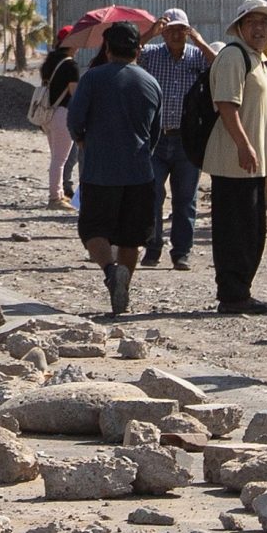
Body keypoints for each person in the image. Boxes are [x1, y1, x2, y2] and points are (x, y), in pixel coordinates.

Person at [65, 19, 161, 315]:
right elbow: (154, 133)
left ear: (107, 48)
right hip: (139, 173)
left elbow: (74, 120)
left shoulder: (92, 78)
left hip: (99, 171)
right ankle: (124, 286)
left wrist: (82, 139)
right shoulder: (150, 82)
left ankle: (110, 271)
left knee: (93, 230)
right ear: (138, 50)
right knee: (132, 237)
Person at [205, 0, 267, 314]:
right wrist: (243, 145)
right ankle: (233, 294)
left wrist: (265, 153)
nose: (259, 28)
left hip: (251, 162)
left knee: (252, 229)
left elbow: (258, 113)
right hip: (232, 162)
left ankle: (240, 291)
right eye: (252, 22)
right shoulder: (233, 56)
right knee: (235, 230)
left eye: (264, 23)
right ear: (239, 27)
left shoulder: (257, 60)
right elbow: (227, 105)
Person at [137, 9, 208, 269]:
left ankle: (181, 252)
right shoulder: (151, 54)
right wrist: (149, 34)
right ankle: (152, 248)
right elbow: (126, 55)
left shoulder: (197, 56)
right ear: (163, 32)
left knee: (185, 199)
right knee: (152, 195)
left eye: (181, 29)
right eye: (171, 29)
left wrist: (200, 41)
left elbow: (220, 67)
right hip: (155, 139)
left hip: (186, 140)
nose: (176, 34)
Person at [36, 27, 81, 209]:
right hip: (63, 114)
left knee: (56, 157)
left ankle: (59, 194)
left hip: (48, 114)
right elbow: (75, 95)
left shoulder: (50, 63)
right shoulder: (71, 66)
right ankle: (55, 197)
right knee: (60, 160)